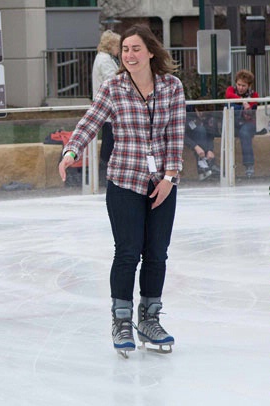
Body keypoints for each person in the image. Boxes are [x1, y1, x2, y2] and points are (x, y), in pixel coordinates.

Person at [58, 24, 185, 358]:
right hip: (124, 180)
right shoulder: (113, 86)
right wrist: (72, 151)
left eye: (136, 49)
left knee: (157, 252)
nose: (129, 55)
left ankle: (150, 318)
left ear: (151, 52)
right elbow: (90, 121)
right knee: (128, 251)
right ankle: (122, 319)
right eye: (125, 49)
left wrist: (169, 178)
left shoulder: (172, 87)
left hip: (162, 181)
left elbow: (176, 134)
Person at [92, 30, 120, 169]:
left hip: (107, 108)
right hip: (109, 108)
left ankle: (105, 172)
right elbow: (112, 80)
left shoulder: (103, 59)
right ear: (111, 45)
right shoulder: (105, 61)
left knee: (108, 141)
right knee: (109, 142)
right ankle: (105, 173)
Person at [225, 69, 259, 178]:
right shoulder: (231, 90)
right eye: (239, 85)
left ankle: (249, 165)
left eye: (243, 86)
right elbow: (229, 95)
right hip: (233, 122)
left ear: (249, 85)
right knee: (227, 134)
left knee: (244, 133)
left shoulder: (254, 94)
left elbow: (252, 106)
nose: (240, 88)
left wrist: (247, 104)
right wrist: (243, 101)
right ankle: (226, 167)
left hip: (248, 123)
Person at [185, 97, 220, 180]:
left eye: (204, 114)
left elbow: (210, 135)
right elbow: (181, 135)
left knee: (201, 130)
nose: (201, 115)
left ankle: (206, 164)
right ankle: (205, 165)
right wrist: (196, 147)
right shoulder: (187, 114)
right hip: (190, 138)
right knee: (200, 130)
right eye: (200, 112)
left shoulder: (210, 118)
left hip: (201, 141)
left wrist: (210, 150)